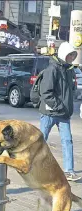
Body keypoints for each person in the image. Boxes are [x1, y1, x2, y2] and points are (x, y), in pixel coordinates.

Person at [39, 41, 81, 182]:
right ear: (64, 54)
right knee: (40, 141)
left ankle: (69, 171)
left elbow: (71, 90)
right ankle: (33, 167)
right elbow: (46, 92)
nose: (71, 58)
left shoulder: (69, 70)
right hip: (49, 113)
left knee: (67, 141)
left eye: (73, 55)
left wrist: (68, 105)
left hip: (63, 114)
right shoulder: (52, 69)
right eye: (69, 55)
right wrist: (59, 106)